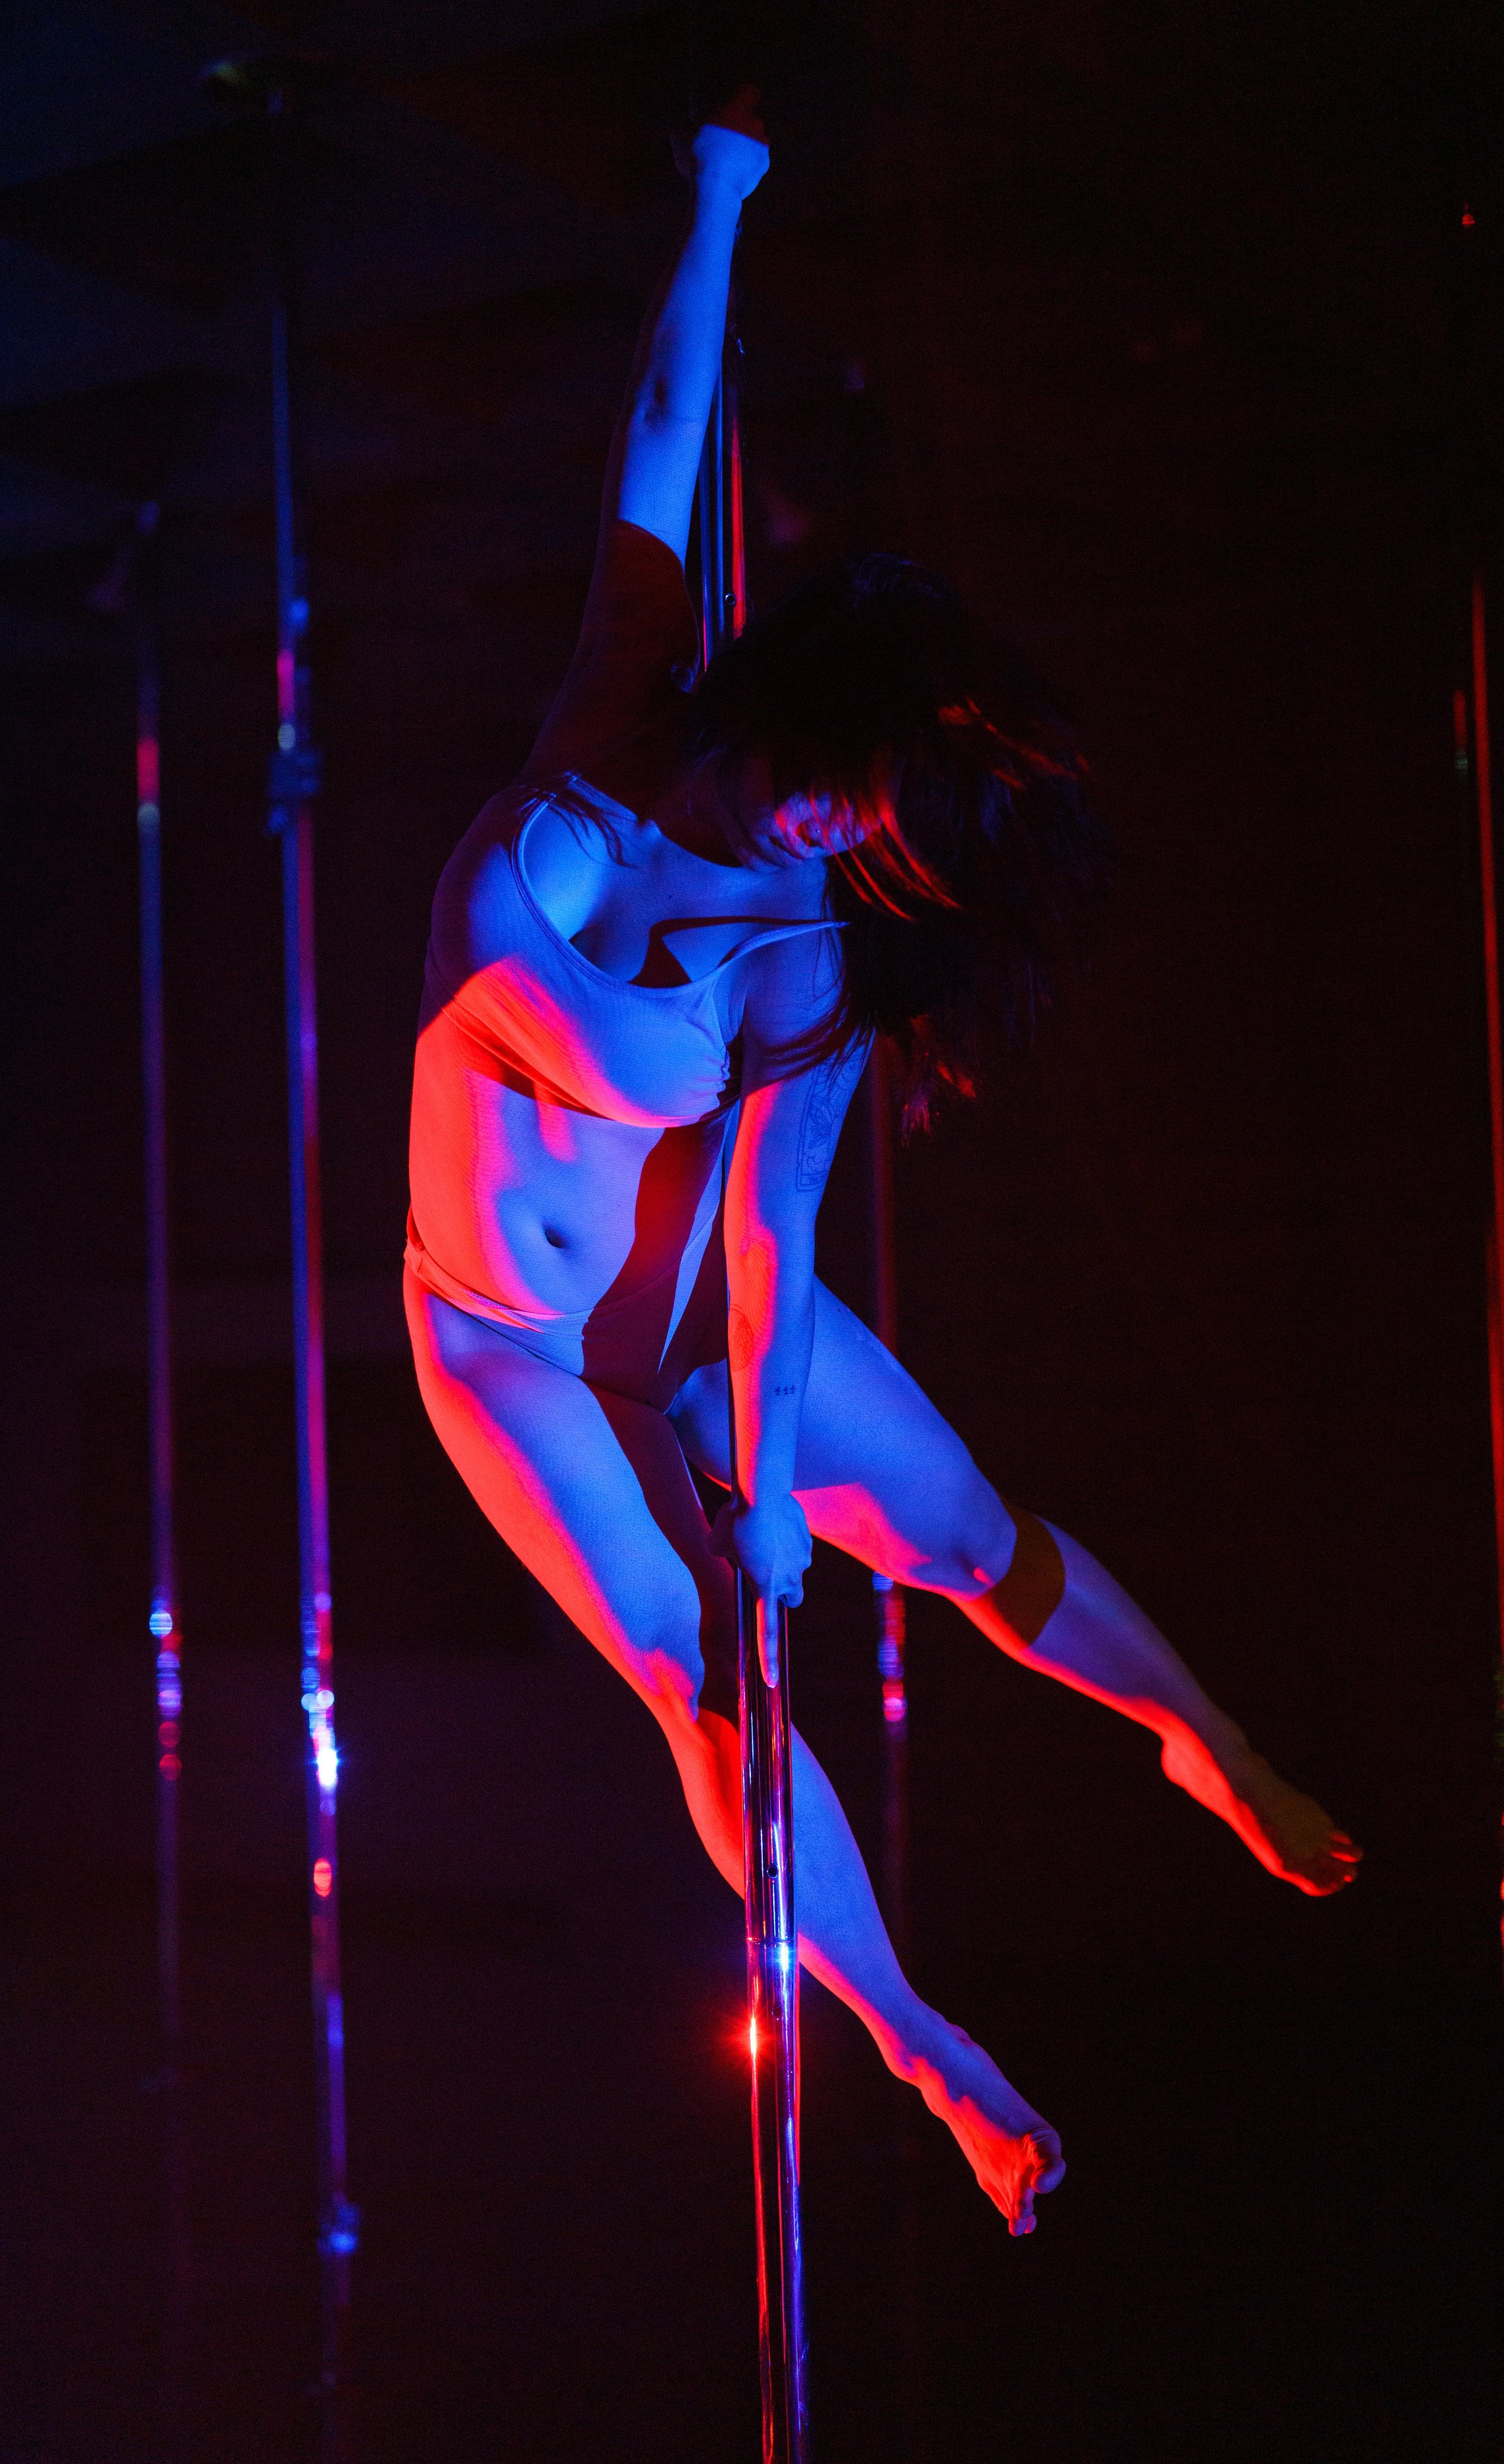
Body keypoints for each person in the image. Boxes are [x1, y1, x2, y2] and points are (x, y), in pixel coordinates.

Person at [403, 95, 1360, 2238]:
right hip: (512, 1344)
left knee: (955, 1535)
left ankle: (1199, 1734)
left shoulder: (819, 952)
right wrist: (714, 205)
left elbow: (769, 1220)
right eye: (841, 788)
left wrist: (762, 1475)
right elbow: (666, 425)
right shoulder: (614, 715)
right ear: (800, 716)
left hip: (692, 1307)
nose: (840, 838)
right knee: (692, 1665)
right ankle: (921, 2040)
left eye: (876, 827)